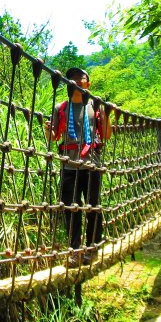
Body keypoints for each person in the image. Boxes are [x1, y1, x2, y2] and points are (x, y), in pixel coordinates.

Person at [46, 67, 112, 265]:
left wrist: (107, 115)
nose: (75, 80)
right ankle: (74, 251)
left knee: (93, 207)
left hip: (91, 164)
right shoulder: (60, 108)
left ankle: (92, 249)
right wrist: (48, 130)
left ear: (87, 83)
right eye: (72, 78)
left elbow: (107, 136)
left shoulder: (96, 106)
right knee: (70, 209)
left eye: (80, 77)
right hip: (69, 165)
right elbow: (52, 137)